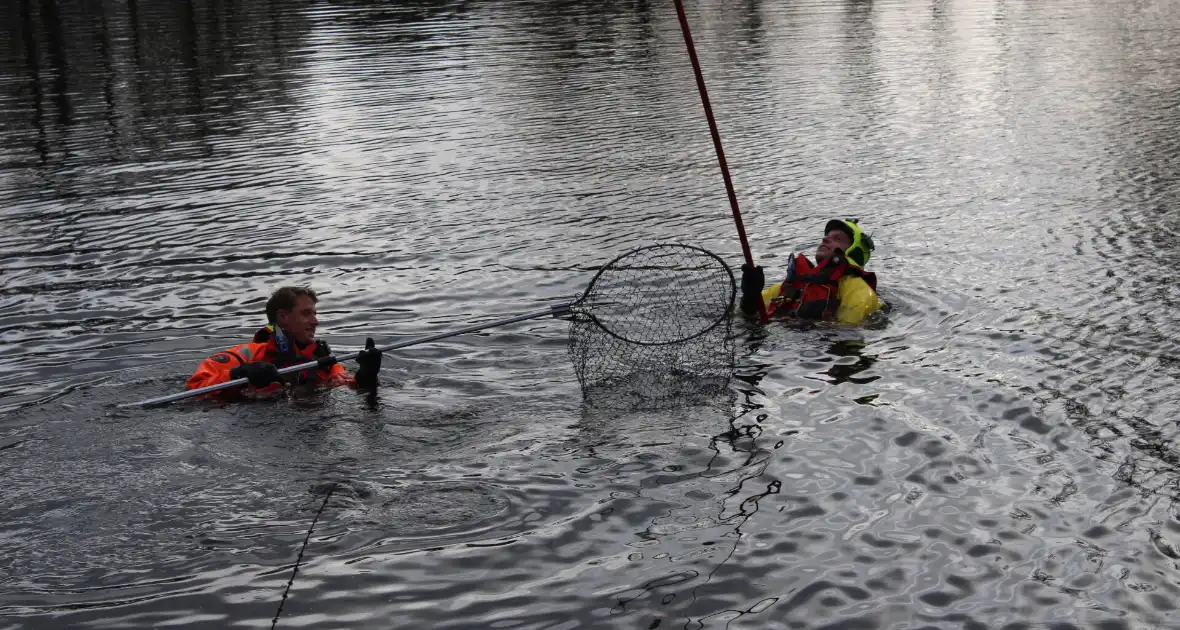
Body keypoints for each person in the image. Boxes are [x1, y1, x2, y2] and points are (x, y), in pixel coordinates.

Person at [186, 286, 383, 395]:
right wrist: (237, 374)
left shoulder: (320, 360)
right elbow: (194, 390)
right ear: (283, 317)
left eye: (315, 313)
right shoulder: (242, 356)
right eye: (306, 314)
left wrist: (367, 375)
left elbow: (349, 386)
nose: (316, 321)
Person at [739, 219, 883, 325]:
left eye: (837, 238)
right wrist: (750, 298)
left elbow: (850, 333)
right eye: (827, 235)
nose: (825, 238)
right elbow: (742, 317)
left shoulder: (858, 290)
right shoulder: (791, 285)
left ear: (853, 253)